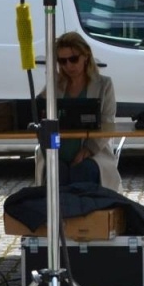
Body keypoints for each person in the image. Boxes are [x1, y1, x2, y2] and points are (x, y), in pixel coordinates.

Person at [35, 31, 120, 191]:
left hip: (93, 153)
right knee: (56, 174)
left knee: (83, 173)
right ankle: (58, 216)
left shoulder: (104, 85)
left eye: (73, 59)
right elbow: (38, 112)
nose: (68, 66)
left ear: (86, 56)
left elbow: (107, 123)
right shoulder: (55, 85)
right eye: (62, 61)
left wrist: (88, 150)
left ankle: (85, 215)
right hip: (56, 151)